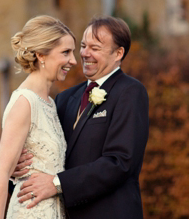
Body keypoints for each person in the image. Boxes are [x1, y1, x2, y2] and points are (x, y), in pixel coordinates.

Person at [14, 15, 149, 219]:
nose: (85, 54)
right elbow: (49, 148)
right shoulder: (65, 98)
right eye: (84, 46)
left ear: (118, 53)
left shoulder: (130, 92)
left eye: (95, 48)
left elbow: (120, 162)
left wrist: (56, 183)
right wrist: (19, 167)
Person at [0, 15, 77, 219]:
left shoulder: (49, 103)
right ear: (41, 55)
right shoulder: (24, 102)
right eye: (66, 52)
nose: (73, 60)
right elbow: (1, 174)